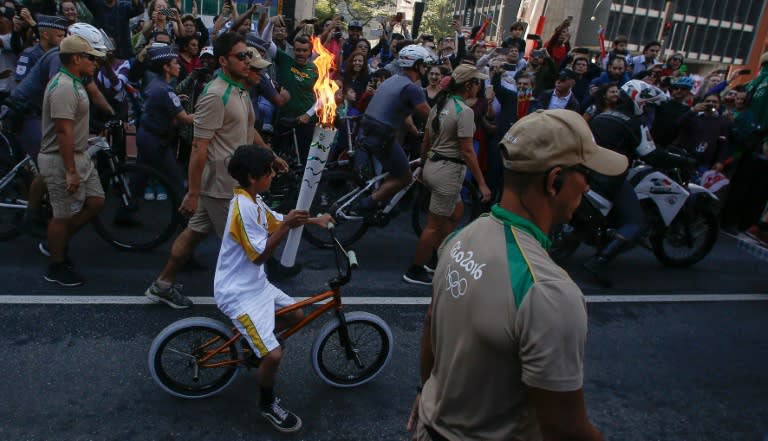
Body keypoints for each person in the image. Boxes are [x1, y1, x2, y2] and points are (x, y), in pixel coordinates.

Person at [407, 109, 625, 441]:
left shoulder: (459, 237)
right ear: (555, 181)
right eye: (587, 175)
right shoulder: (547, 291)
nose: (589, 188)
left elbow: (431, 326)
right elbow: (564, 428)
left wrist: (426, 392)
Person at [214, 144, 332, 434]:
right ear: (254, 177)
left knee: (297, 315)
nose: (273, 176)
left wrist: (315, 220)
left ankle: (253, 341)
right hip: (237, 292)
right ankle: (267, 404)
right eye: (269, 172)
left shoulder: (253, 200)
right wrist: (286, 226)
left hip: (256, 285)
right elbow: (258, 255)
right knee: (274, 355)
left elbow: (278, 220)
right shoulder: (242, 209)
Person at [144, 32, 267, 309]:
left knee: (193, 233)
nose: (248, 61)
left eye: (248, 55)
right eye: (241, 56)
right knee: (242, 250)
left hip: (232, 182)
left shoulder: (238, 87)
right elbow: (199, 147)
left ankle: (162, 285)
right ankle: (245, 307)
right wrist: (194, 192)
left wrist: (268, 154)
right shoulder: (215, 95)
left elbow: (247, 128)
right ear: (223, 61)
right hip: (222, 186)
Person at [403, 65, 492, 286]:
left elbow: (426, 141)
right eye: (476, 83)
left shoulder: (440, 104)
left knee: (456, 212)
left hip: (434, 166)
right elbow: (467, 150)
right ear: (468, 85)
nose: (479, 87)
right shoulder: (465, 111)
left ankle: (438, 255)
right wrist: (482, 184)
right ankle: (416, 269)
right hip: (448, 172)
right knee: (433, 225)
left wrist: (423, 168)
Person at [583, 79, 667, 286]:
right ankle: (600, 260)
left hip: (586, 170)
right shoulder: (633, 123)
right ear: (638, 101)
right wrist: (684, 160)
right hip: (609, 175)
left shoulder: (602, 115)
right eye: (646, 104)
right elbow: (651, 155)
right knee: (635, 222)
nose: (646, 109)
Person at [38, 35, 107, 286]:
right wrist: (70, 171)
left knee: (96, 201)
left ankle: (57, 242)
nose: (96, 62)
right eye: (91, 57)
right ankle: (56, 265)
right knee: (62, 215)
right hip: (61, 159)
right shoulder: (64, 87)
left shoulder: (75, 82)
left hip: (79, 156)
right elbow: (63, 131)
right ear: (76, 58)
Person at [353, 44, 433, 218]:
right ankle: (367, 204)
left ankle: (381, 200)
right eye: (424, 64)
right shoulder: (413, 88)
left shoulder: (392, 79)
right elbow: (430, 116)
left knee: (395, 169)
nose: (426, 68)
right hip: (382, 134)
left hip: (366, 127)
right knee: (405, 178)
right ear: (417, 65)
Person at [134, 45, 193, 205]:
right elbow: (185, 119)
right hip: (155, 139)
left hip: (146, 135)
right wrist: (208, 114)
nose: (179, 65)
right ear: (166, 67)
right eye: (175, 62)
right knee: (175, 178)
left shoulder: (156, 85)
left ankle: (126, 212)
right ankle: (184, 217)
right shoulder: (165, 91)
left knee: (140, 177)